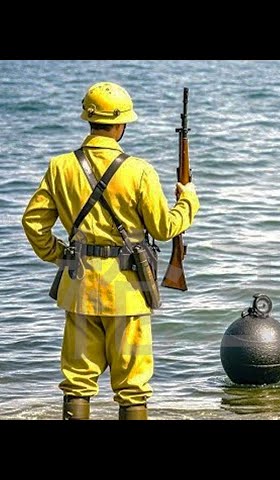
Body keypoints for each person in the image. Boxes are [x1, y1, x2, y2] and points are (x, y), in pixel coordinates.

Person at [22, 82, 200, 420]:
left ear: (89, 120)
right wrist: (188, 200)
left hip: (78, 289)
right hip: (128, 292)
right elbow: (164, 228)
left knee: (77, 384)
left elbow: (33, 223)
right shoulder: (139, 170)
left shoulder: (60, 167)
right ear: (120, 126)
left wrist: (59, 254)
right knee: (132, 388)